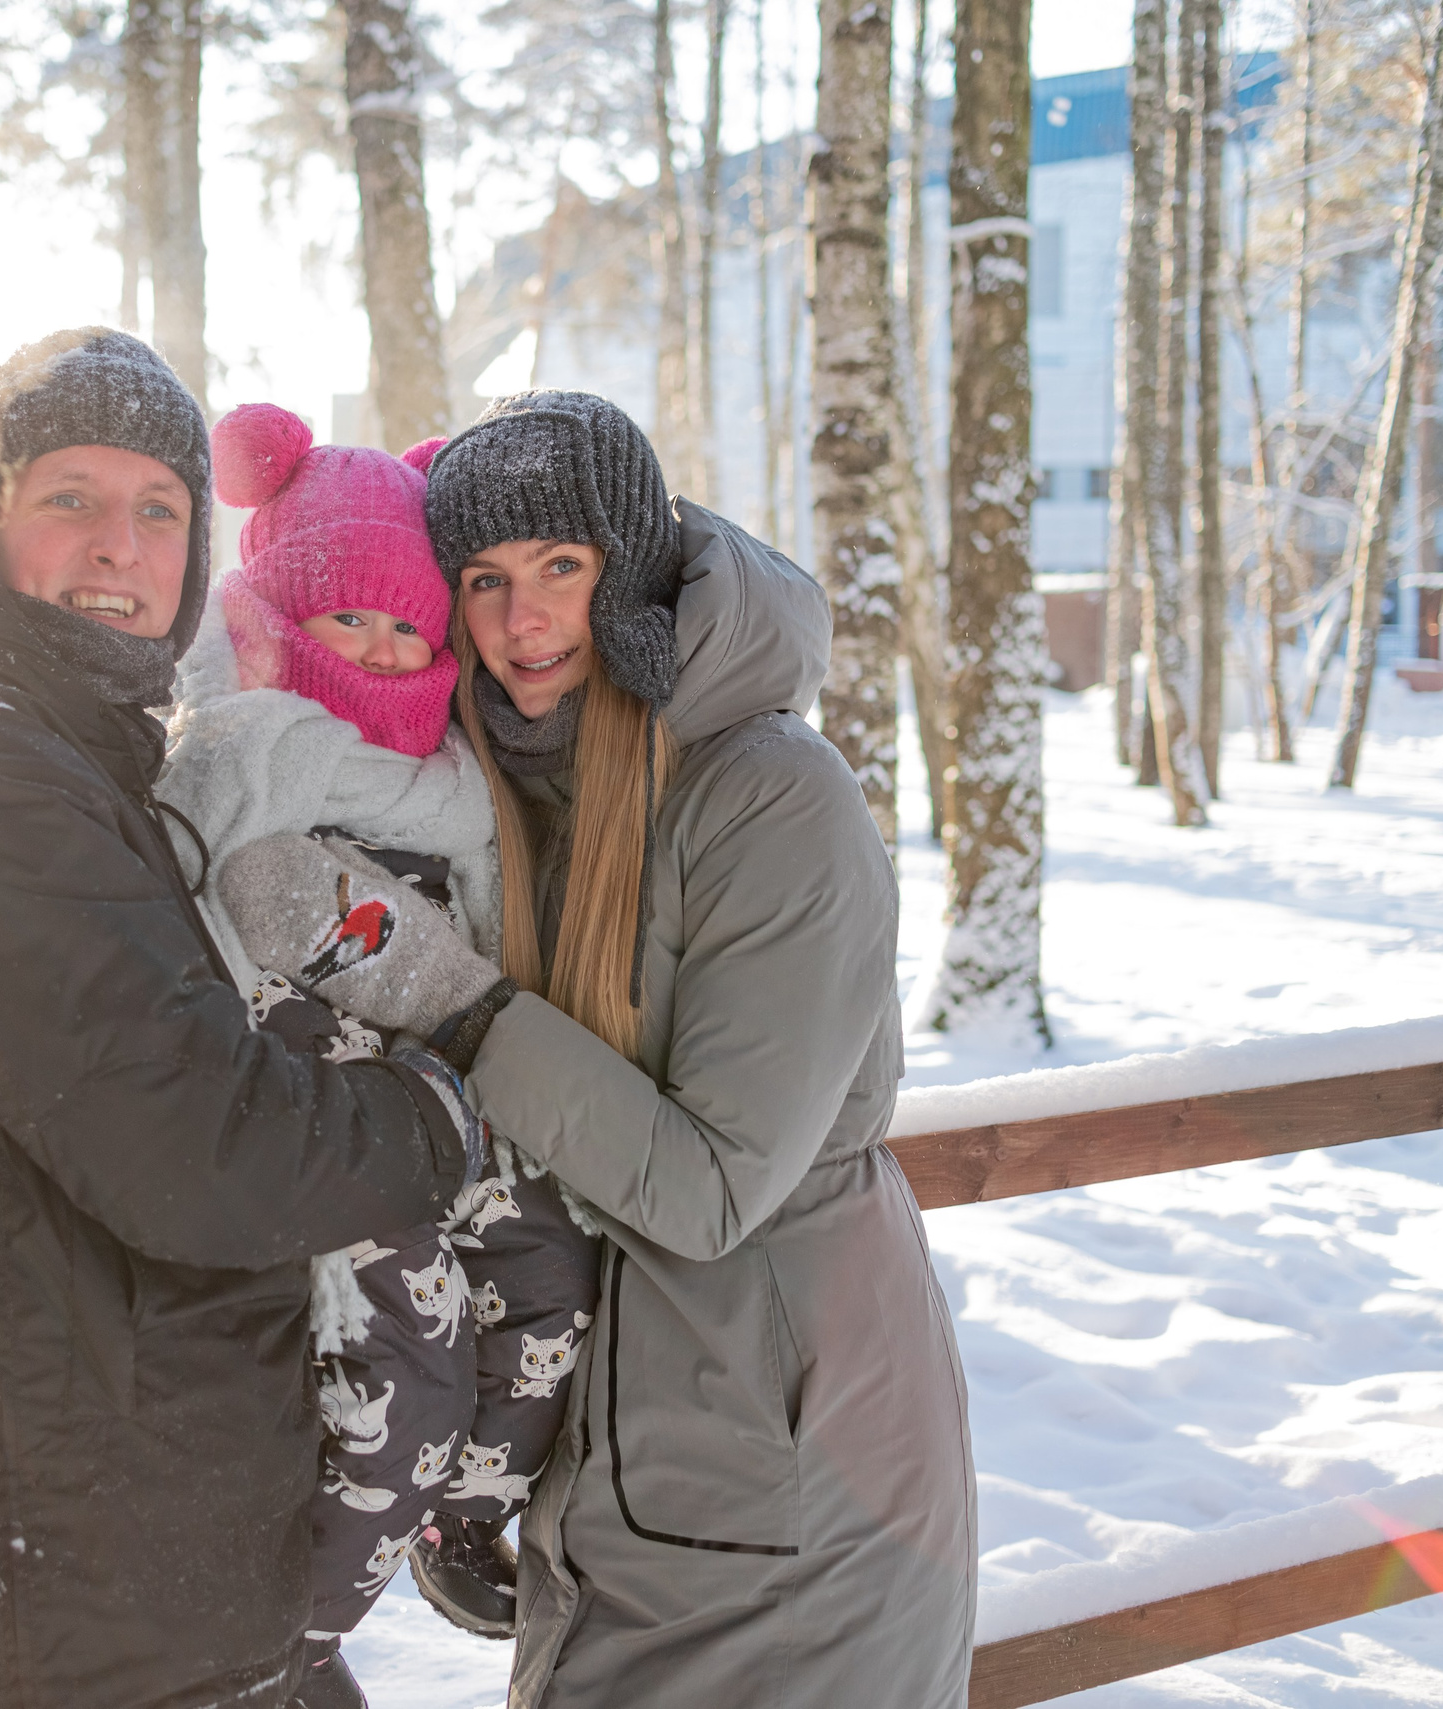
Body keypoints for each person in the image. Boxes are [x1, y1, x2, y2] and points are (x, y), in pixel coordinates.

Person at [0, 328, 497, 1709]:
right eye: (69, 497)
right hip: (44, 1599)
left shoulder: (25, 742)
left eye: (160, 510)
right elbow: (202, 1140)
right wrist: (436, 1113)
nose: (119, 546)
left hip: (92, 1554)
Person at [229, 390, 977, 1706]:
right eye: (486, 578)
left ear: (628, 566)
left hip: (793, 1476)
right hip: (620, 1464)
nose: (525, 620)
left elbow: (706, 1189)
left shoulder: (771, 795)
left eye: (563, 568)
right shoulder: (517, 783)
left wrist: (443, 990)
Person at [158, 404, 599, 1705]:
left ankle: (462, 1520)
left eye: (411, 625)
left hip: (443, 1111)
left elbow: (483, 943)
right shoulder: (239, 746)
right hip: (313, 1132)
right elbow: (204, 909)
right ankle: (278, 1649)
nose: (385, 649)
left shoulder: (454, 781)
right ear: (283, 610)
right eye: (351, 617)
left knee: (555, 1270)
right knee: (413, 1353)